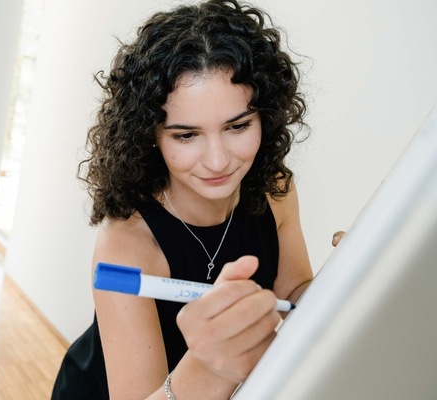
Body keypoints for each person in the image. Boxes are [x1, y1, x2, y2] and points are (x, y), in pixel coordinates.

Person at [52, 1, 316, 399]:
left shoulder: (274, 189)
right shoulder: (128, 242)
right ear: (150, 136)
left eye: (238, 126)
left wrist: (353, 279)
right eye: (186, 135)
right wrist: (208, 364)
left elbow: (293, 294)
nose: (217, 160)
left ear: (267, 115)